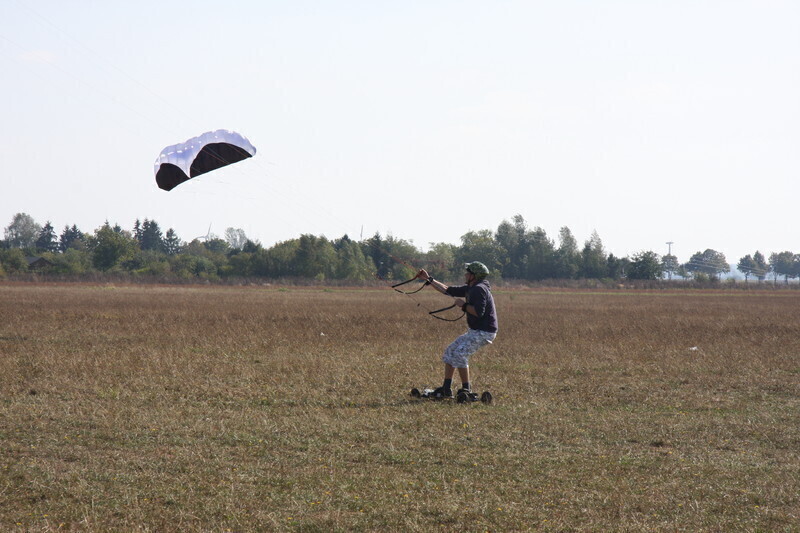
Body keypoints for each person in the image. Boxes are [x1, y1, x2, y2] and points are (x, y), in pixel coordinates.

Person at [415, 261, 498, 398]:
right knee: (450, 351)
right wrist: (428, 279)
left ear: (474, 276)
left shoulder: (479, 289)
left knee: (460, 354)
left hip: (485, 332)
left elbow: (479, 312)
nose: (465, 274)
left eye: (468, 272)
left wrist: (463, 305)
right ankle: (446, 389)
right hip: (475, 331)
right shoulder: (470, 287)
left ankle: (467, 390)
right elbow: (447, 290)